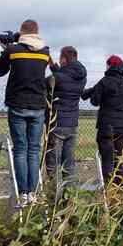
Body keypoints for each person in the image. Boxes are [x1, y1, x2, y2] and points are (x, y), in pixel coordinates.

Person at [0, 20, 50, 205]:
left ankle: (23, 192)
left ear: (22, 32)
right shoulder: (45, 52)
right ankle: (32, 192)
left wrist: (6, 49)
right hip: (38, 105)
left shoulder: (13, 51)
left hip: (18, 104)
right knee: (34, 150)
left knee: (20, 149)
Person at [83, 55, 123, 186]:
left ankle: (109, 189)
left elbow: (95, 102)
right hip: (122, 126)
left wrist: (95, 91)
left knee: (107, 159)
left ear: (110, 65)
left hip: (107, 125)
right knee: (118, 158)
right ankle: (120, 188)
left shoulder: (104, 81)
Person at [44, 46, 87, 188]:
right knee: (69, 165)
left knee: (53, 163)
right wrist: (52, 64)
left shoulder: (58, 78)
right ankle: (69, 200)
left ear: (64, 59)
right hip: (72, 124)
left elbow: (53, 80)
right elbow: (64, 77)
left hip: (57, 123)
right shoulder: (81, 77)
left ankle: (53, 196)